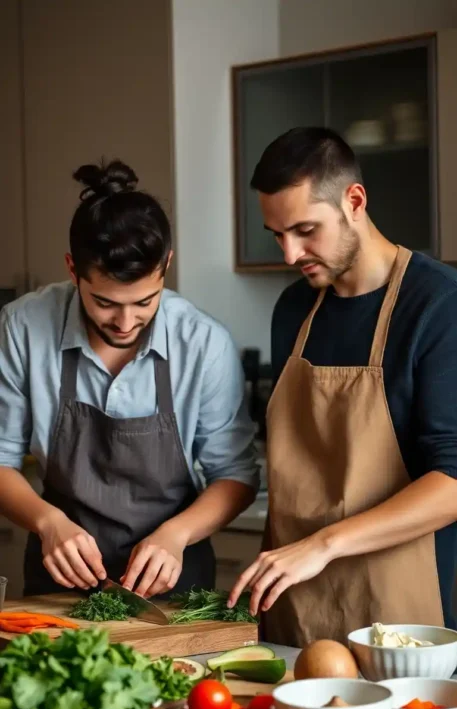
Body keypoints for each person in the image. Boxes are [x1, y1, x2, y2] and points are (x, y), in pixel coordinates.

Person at [228, 127, 457, 644]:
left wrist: (323, 545)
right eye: (277, 235)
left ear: (354, 201)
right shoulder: (294, 309)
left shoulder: (438, 306)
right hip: (296, 605)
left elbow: (453, 481)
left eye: (305, 230)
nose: (290, 254)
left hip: (398, 614)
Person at [0, 159, 259, 598]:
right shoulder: (22, 327)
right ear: (72, 269)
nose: (125, 322)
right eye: (104, 303)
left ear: (166, 265)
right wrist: (48, 522)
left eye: (145, 302)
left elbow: (236, 475)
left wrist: (176, 534)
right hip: (58, 580)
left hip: (174, 585)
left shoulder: (203, 343)